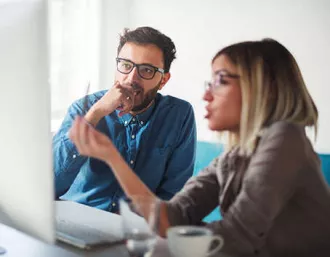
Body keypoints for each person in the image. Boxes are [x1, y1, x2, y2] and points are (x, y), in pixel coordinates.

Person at [68, 38, 330, 257]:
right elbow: (169, 218)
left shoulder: (285, 138)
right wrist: (112, 157)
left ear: (262, 89)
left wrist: (178, 238)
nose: (207, 95)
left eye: (221, 81)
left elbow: (234, 240)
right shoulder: (234, 156)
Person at [53, 26, 196, 213]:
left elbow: (173, 197)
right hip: (79, 218)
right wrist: (94, 115)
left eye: (146, 70)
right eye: (126, 65)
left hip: (136, 230)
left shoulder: (179, 115)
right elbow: (51, 185)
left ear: (163, 80)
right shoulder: (85, 108)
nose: (131, 78)